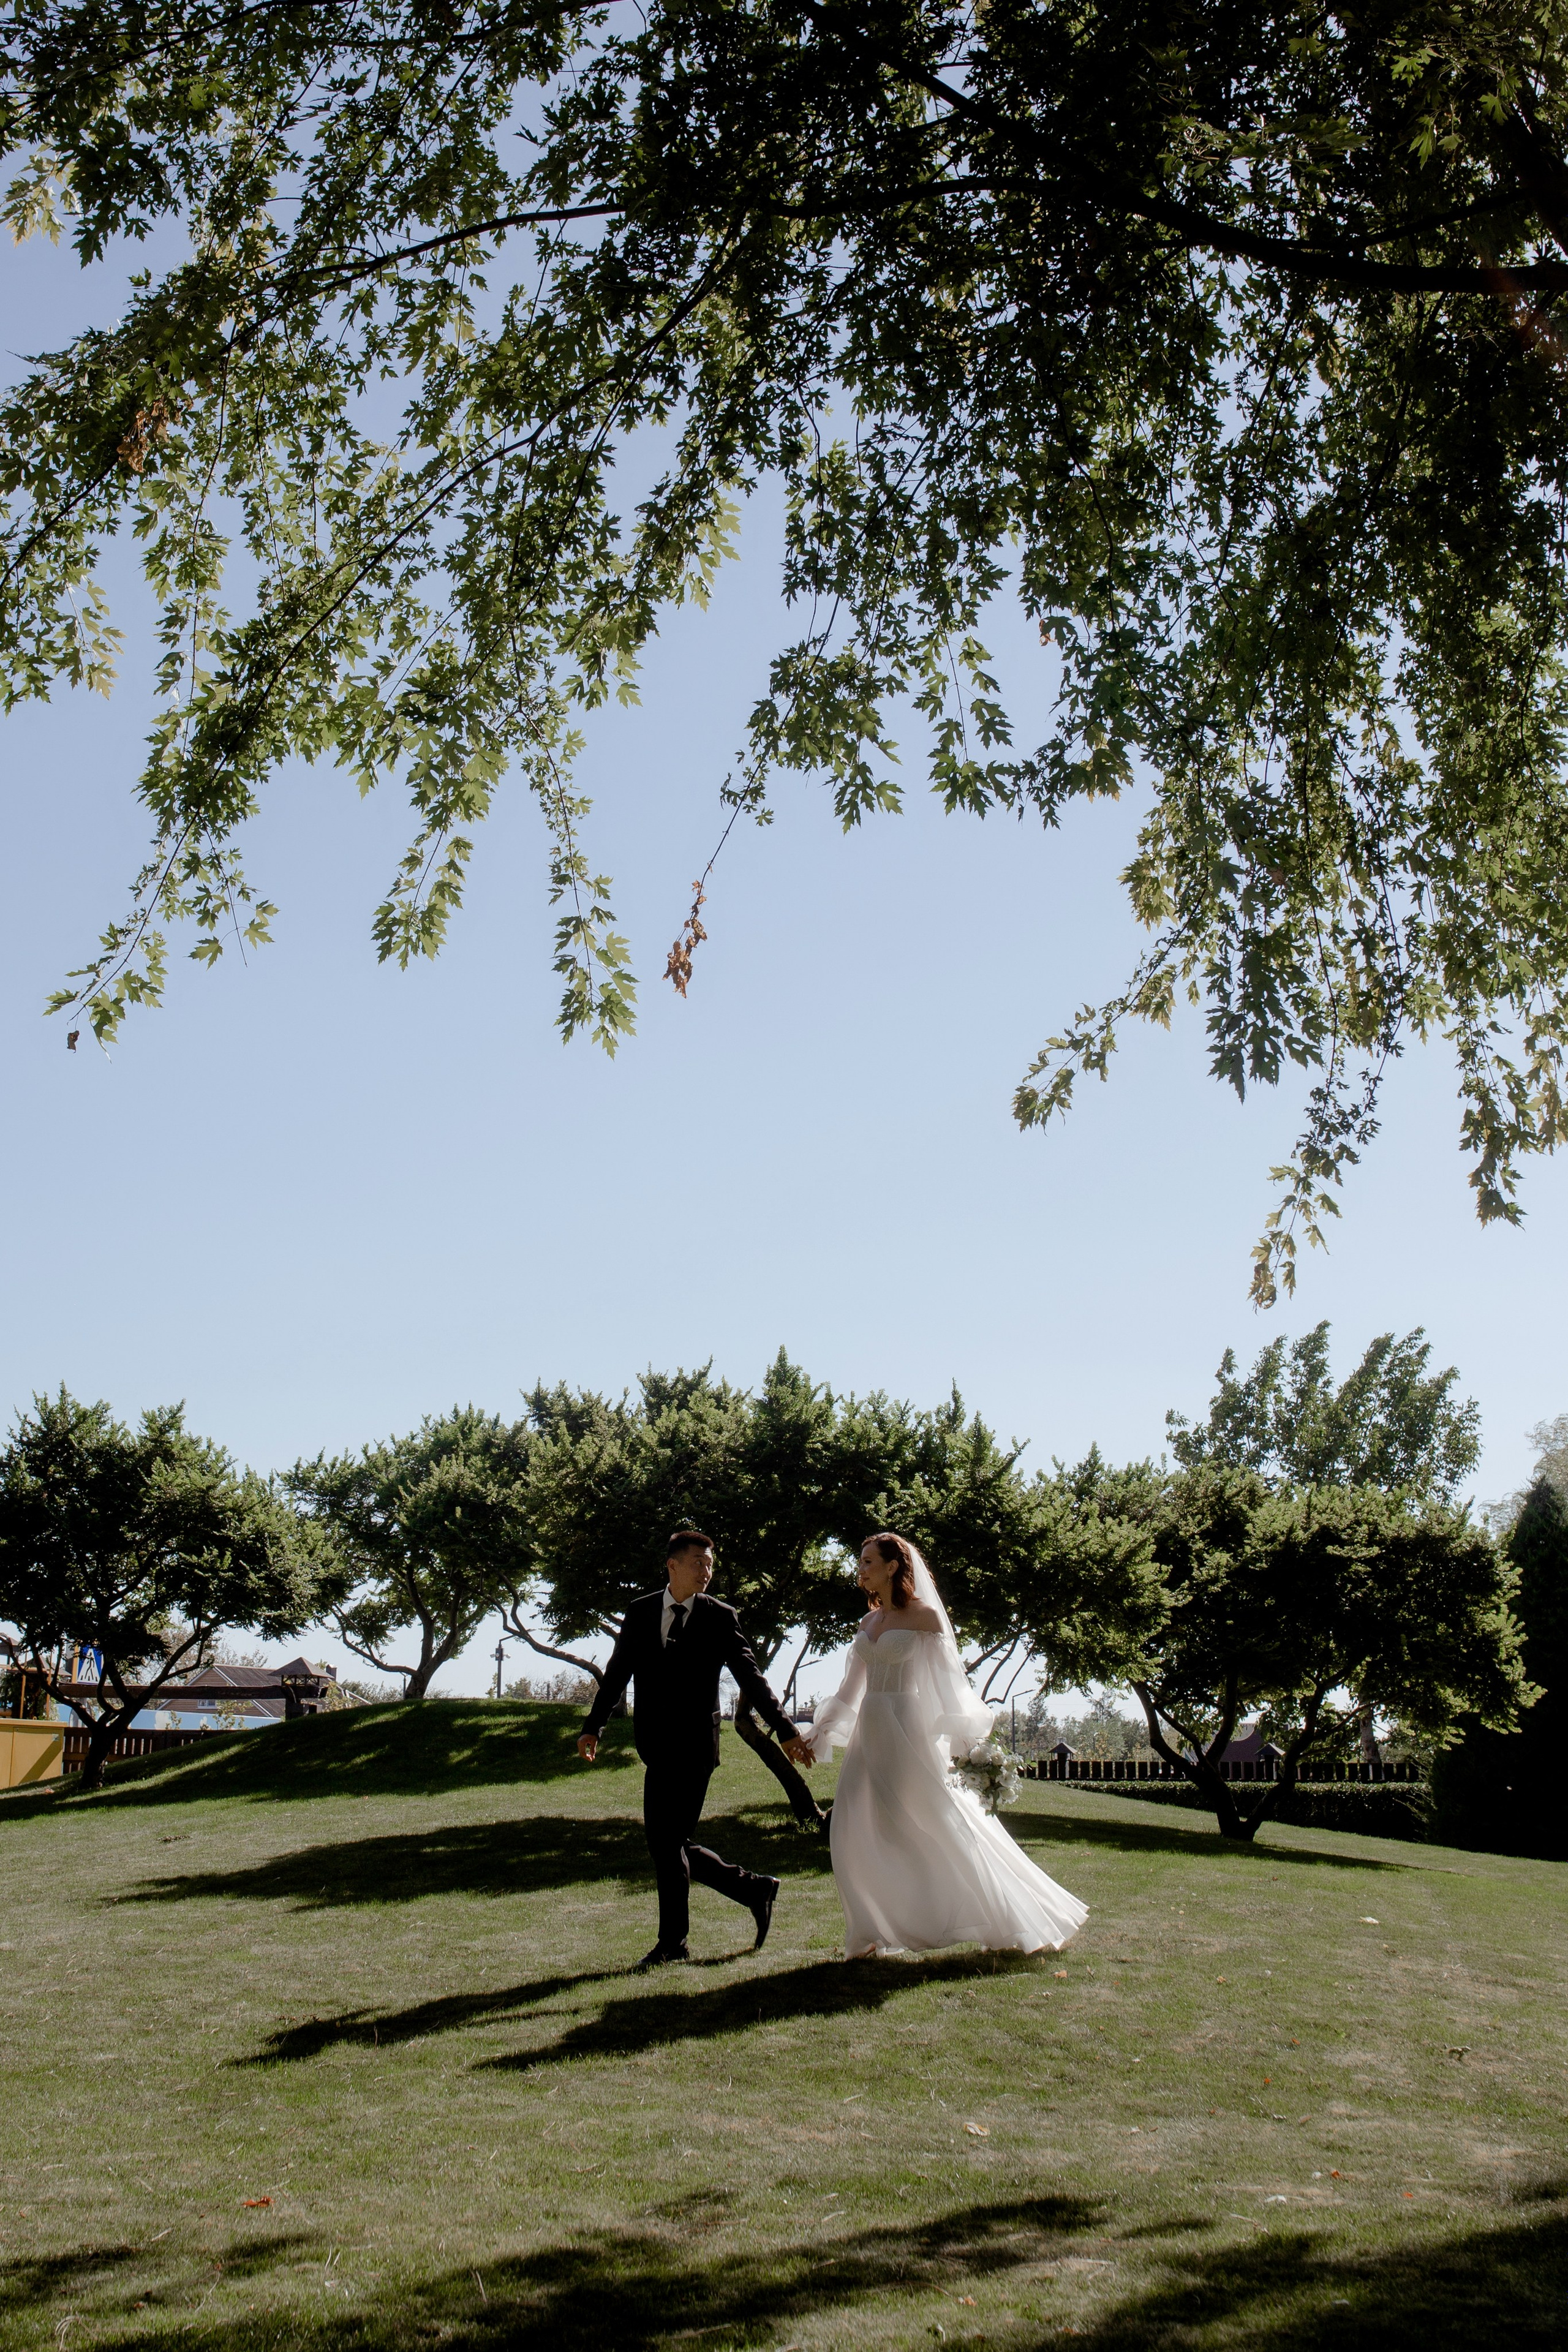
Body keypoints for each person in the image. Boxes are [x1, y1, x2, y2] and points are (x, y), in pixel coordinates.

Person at [803, 1532, 1087, 1958]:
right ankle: (870, 1930)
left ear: (893, 1566)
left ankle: (1004, 1914)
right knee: (854, 1826)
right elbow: (850, 1689)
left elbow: (948, 1685)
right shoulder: (868, 1623)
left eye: (867, 1561)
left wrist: (969, 1742)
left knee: (937, 1823)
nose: (860, 1569)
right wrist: (820, 1729)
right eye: (859, 1561)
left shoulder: (925, 1619)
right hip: (870, 1732)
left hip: (908, 1729)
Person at [577, 1528, 813, 1968]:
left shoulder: (720, 1616)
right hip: (655, 1746)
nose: (707, 1572)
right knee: (668, 1843)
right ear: (673, 1565)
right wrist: (594, 1727)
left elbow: (751, 1677)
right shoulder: (642, 1611)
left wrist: (784, 1728)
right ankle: (753, 1889)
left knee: (667, 1843)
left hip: (696, 1749)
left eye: (710, 1564)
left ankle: (674, 1944)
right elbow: (617, 1674)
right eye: (698, 1563)